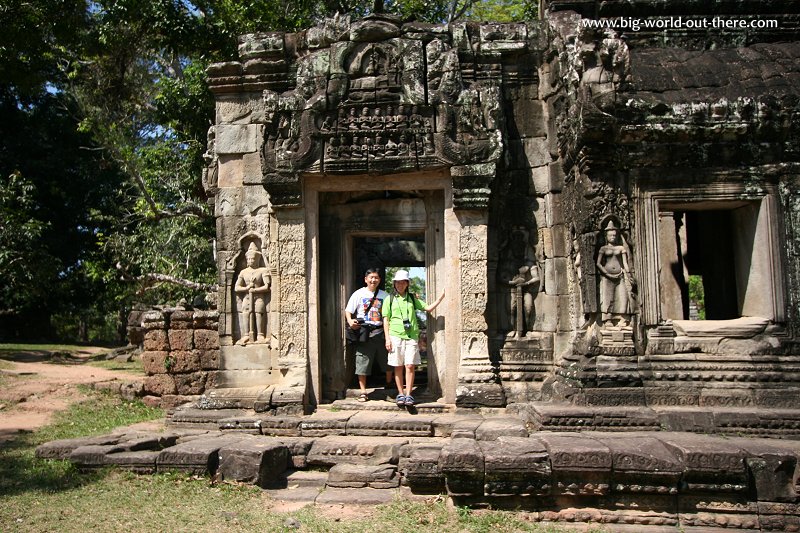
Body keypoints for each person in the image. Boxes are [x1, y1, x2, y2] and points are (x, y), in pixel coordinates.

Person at [383, 269, 444, 407]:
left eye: (402, 282)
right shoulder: (389, 299)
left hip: (411, 336)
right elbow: (386, 320)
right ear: (394, 284)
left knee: (409, 365)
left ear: (407, 283)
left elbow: (428, 308)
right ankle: (400, 393)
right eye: (397, 282)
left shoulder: (411, 298)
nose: (400, 285)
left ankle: (409, 394)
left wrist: (441, 297)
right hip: (395, 335)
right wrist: (387, 338)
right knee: (397, 365)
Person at [344, 268, 393, 402]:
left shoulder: (385, 296)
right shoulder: (358, 294)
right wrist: (350, 321)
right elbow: (348, 310)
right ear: (366, 279)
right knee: (362, 361)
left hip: (381, 332)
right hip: (364, 332)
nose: (373, 280)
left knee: (387, 360)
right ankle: (363, 392)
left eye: (376, 277)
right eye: (371, 277)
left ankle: (389, 386)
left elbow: (389, 315)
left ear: (379, 280)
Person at [596, 219, 633, 325]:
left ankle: (623, 317)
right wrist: (606, 274)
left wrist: (628, 273)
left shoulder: (621, 248)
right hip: (607, 276)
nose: (613, 237)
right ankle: (608, 319)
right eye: (610, 236)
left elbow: (625, 263)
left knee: (623, 296)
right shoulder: (603, 248)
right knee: (608, 297)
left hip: (620, 275)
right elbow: (598, 263)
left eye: (614, 235)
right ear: (606, 237)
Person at [234, 242, 271, 345]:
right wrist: (247, 288)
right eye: (249, 259)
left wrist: (255, 290)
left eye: (253, 259)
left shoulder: (262, 270)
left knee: (259, 313)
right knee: (246, 314)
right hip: (247, 297)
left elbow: (267, 286)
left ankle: (260, 335)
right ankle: (246, 335)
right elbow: (237, 288)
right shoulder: (243, 272)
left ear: (258, 259)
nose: (251, 261)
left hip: (259, 297)